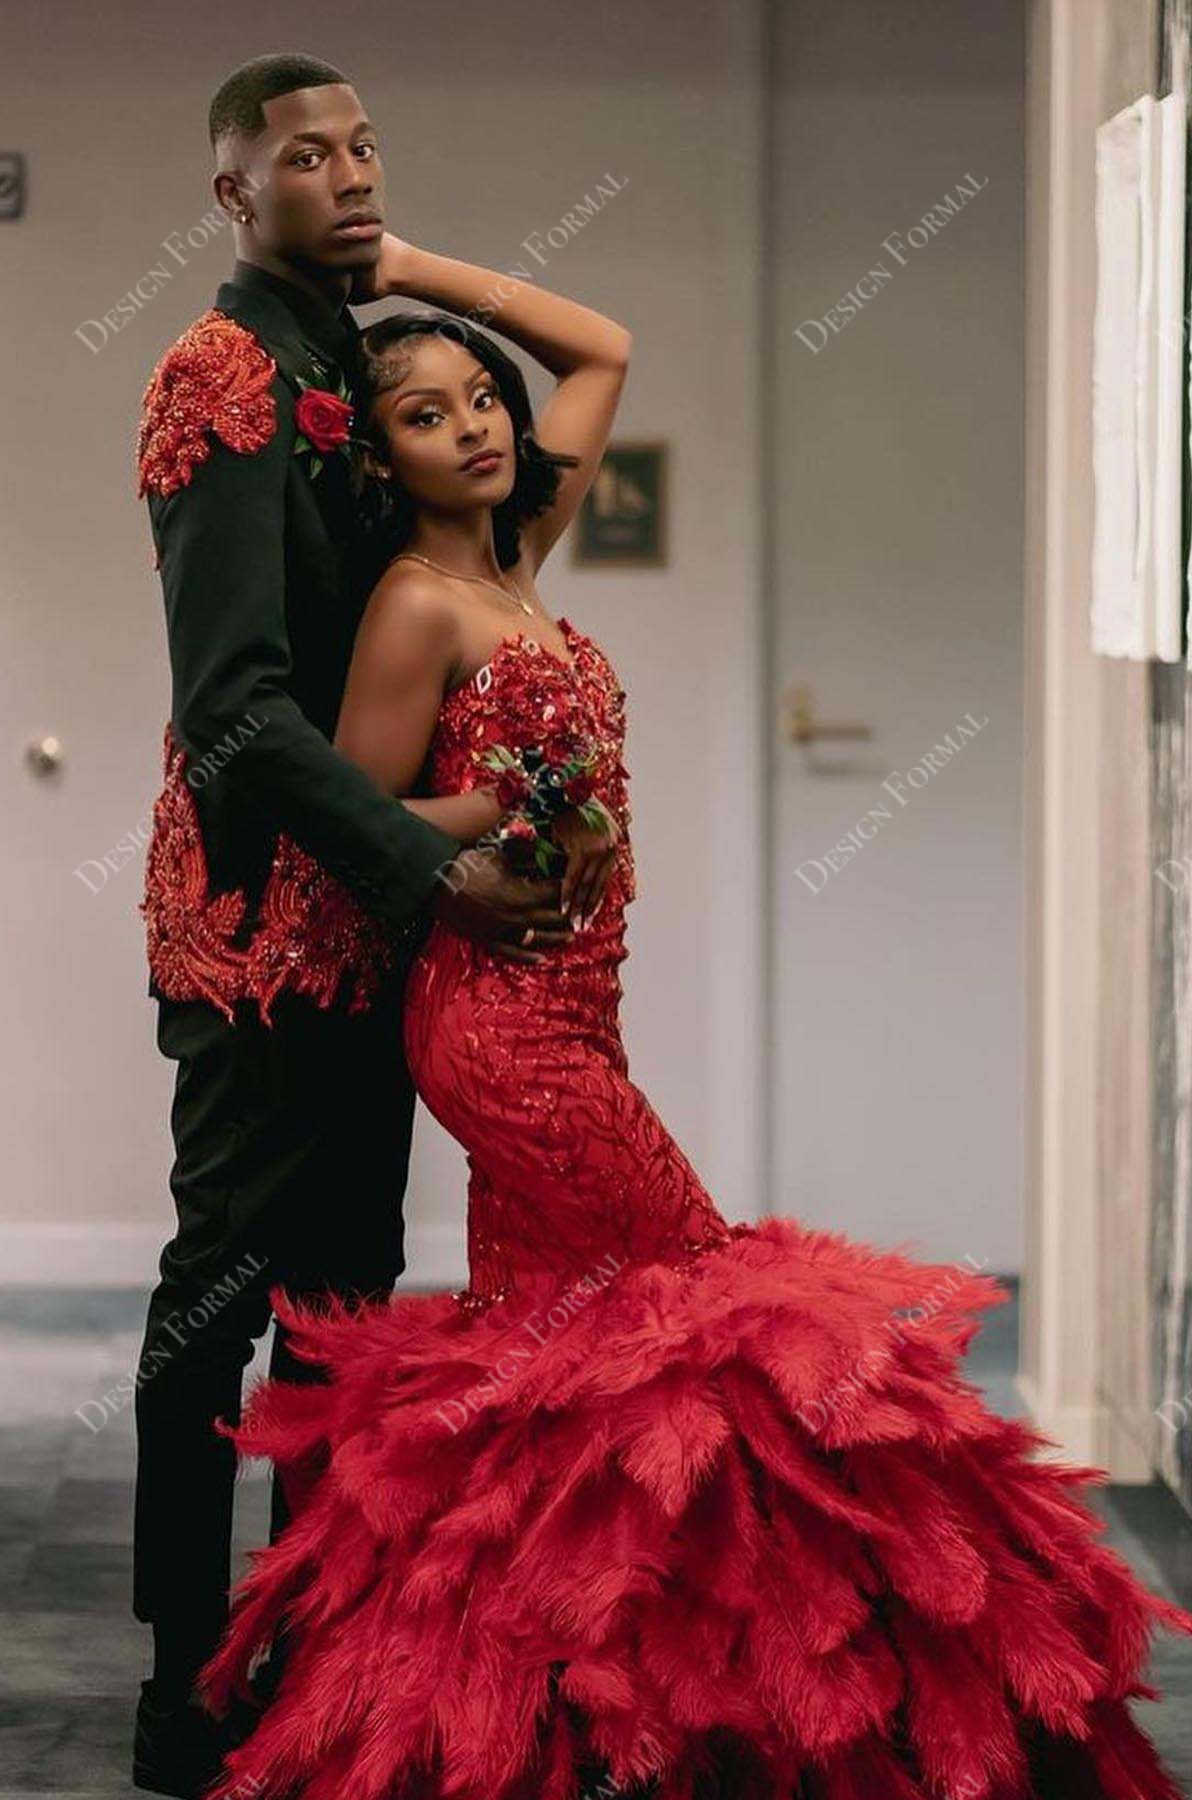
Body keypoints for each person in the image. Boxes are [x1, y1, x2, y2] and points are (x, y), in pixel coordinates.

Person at [184, 222, 1192, 1800]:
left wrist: (409, 272)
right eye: (427, 416)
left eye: (477, 399)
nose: (476, 426)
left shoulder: (517, 558)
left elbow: (600, 345)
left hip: (583, 1008)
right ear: (381, 463)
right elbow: (364, 814)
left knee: (558, 1359)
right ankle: (747, 1690)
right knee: (694, 1299)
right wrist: (512, 805)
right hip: (496, 1025)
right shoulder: (415, 607)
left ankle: (559, 1710)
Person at [130, 55, 571, 1800]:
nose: (349, 172)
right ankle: (182, 1685)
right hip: (254, 927)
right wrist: (427, 863)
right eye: (305, 155)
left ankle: (313, 1659)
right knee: (214, 1307)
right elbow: (233, 707)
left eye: (366, 144)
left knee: (351, 1303)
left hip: (366, 913)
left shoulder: (350, 360)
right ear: (236, 194)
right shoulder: (222, 369)